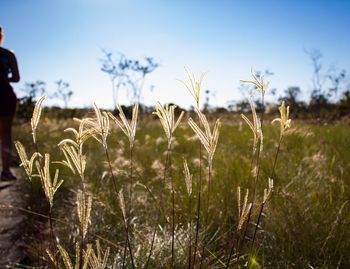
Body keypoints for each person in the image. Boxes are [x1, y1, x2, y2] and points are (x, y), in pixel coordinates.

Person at [0, 26, 20, 181]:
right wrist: (6, 78)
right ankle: (6, 171)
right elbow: (17, 78)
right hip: (5, 94)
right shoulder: (8, 54)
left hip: (5, 96)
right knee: (6, 134)